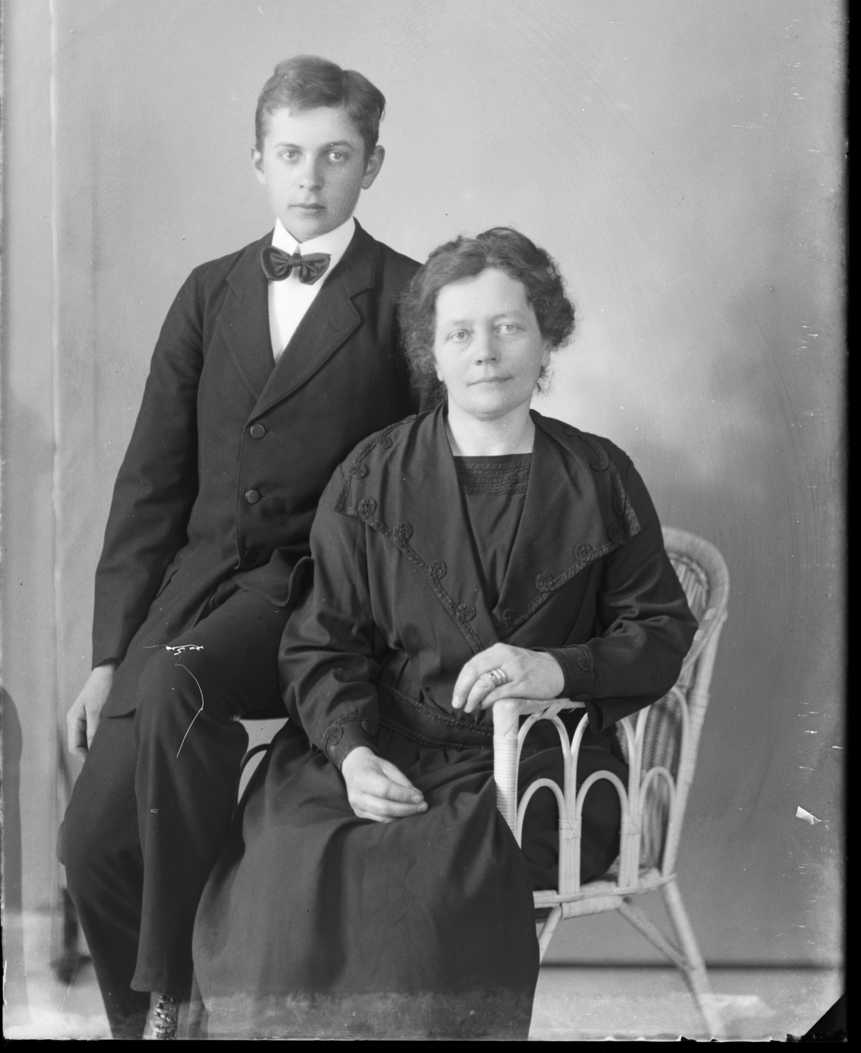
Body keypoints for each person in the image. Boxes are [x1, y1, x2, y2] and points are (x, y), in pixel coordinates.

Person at [191, 226, 699, 1040]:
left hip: (539, 766)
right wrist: (352, 755)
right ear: (431, 352)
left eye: (508, 326)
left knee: (419, 897)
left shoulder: (601, 475)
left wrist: (555, 668)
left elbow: (659, 631)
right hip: (377, 739)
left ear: (546, 339)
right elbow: (322, 643)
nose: (485, 352)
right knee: (284, 865)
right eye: (459, 333)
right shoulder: (370, 474)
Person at [60, 55, 420, 1040]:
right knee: (92, 844)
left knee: (183, 679)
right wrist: (108, 654)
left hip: (315, 597)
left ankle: (183, 992)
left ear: (371, 165)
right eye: (290, 154)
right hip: (190, 598)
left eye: (335, 155)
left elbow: (426, 486)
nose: (310, 178)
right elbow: (150, 483)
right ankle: (147, 1026)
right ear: (257, 160)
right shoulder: (208, 291)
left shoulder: (407, 297)